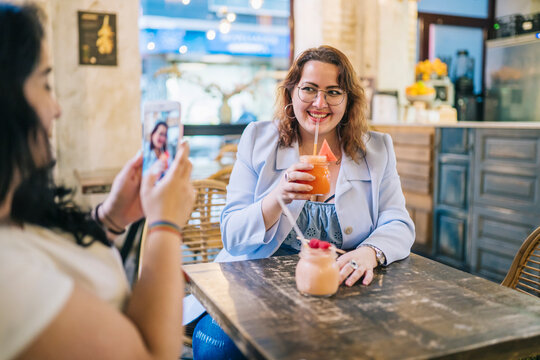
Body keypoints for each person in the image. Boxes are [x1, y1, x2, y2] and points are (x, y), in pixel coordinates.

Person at [185, 45, 415, 359]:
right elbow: (232, 234)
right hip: (253, 288)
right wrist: (278, 196)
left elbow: (398, 223)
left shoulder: (376, 149)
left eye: (334, 91)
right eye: (309, 89)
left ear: (348, 101)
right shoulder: (258, 139)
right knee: (219, 349)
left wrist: (369, 253)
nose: (320, 103)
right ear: (292, 93)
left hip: (341, 289)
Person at [0, 4, 195, 359]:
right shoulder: (7, 278)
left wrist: (110, 217)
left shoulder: (14, 206)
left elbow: (56, 261)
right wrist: (166, 227)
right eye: (45, 83)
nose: (57, 108)